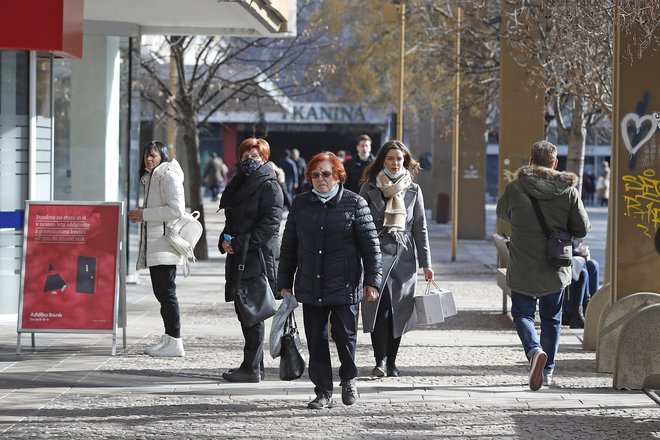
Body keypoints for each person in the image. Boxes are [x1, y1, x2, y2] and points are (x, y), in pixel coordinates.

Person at [277, 152, 382, 409]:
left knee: (345, 338)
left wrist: (372, 282)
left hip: (344, 283)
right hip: (310, 284)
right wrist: (284, 283)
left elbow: (371, 248)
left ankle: (349, 379)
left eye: (326, 173)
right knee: (316, 340)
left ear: (337, 175)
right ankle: (323, 391)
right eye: (315, 174)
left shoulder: (355, 203)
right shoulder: (301, 205)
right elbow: (288, 246)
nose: (321, 179)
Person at [496, 140, 591, 390]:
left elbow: (503, 213)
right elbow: (582, 227)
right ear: (555, 163)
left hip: (523, 264)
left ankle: (534, 351)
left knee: (522, 314)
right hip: (555, 265)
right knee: (552, 319)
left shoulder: (516, 187)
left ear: (530, 161)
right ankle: (547, 372)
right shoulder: (568, 190)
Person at [359, 140, 434, 378]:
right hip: (376, 255)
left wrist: (426, 264)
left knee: (398, 312)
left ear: (405, 162)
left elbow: (420, 228)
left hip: (404, 257)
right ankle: (379, 360)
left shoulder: (413, 190)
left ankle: (392, 361)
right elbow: (358, 225)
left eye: (399, 159)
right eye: (390, 158)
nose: (395, 163)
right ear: (382, 160)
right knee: (377, 309)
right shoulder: (369, 188)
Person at [218, 138, 284, 383]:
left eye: (255, 155)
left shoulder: (269, 186)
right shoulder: (240, 182)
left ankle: (252, 368)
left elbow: (269, 227)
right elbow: (232, 220)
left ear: (265, 159)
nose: (249, 159)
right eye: (246, 154)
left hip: (256, 257)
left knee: (252, 311)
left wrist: (238, 243)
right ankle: (254, 365)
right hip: (240, 255)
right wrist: (225, 240)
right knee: (243, 311)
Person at [128, 140, 186, 357]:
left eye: (153, 155)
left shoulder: (167, 176)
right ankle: (169, 338)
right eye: (145, 156)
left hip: (165, 245)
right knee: (162, 294)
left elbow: (176, 210)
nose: (148, 159)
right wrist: (144, 213)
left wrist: (144, 214)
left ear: (162, 155)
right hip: (156, 245)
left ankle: (175, 341)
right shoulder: (152, 178)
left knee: (167, 294)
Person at [562, 240, 600, 328]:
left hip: (567, 252)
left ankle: (591, 308)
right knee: (582, 272)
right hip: (557, 254)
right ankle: (575, 312)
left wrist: (577, 252)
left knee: (593, 265)